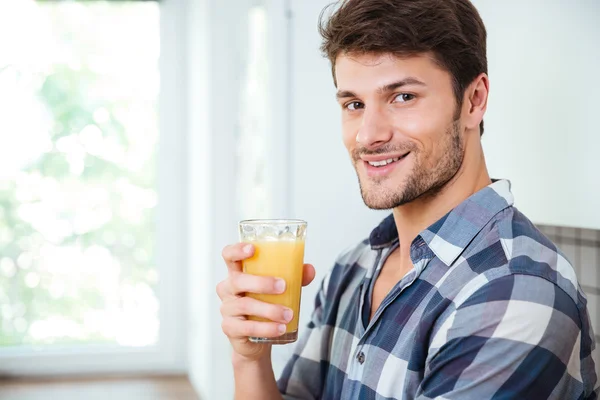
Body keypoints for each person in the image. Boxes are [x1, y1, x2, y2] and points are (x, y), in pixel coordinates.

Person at [216, 0, 598, 398]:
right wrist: (249, 359)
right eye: (354, 104)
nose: (368, 135)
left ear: (474, 100)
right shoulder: (355, 266)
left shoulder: (516, 290)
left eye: (402, 97)